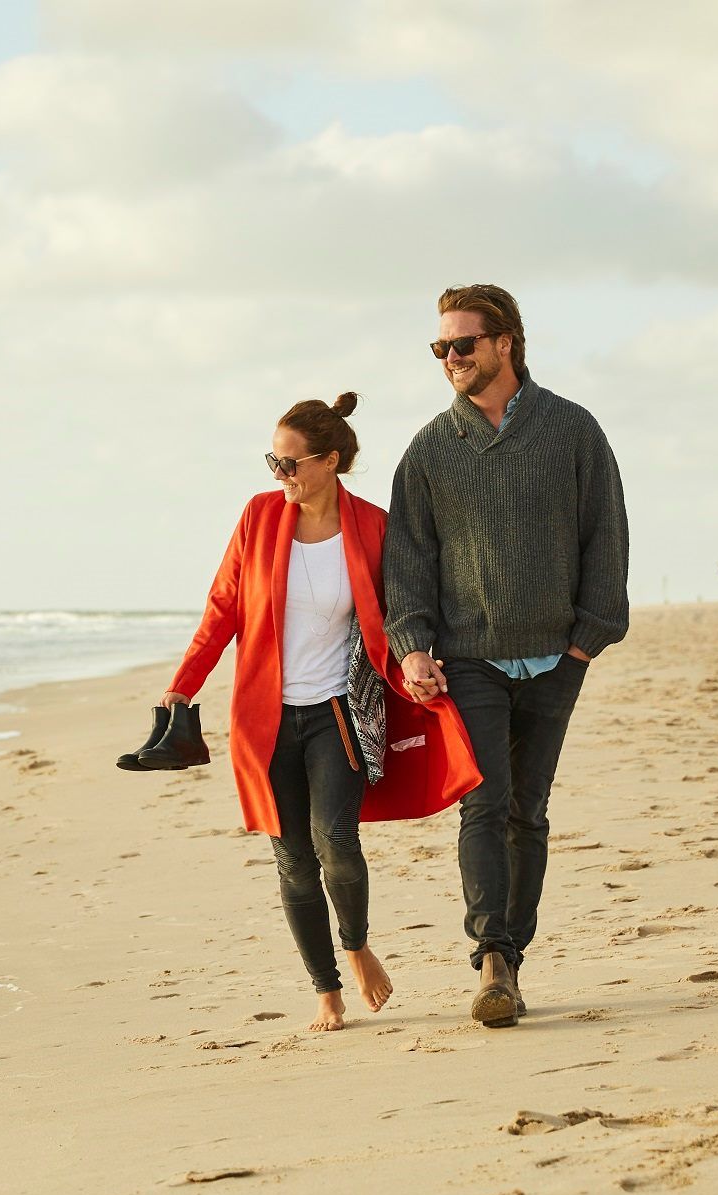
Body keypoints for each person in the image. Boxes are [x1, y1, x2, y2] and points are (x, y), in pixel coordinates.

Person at [163, 394, 481, 1032]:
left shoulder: (373, 526)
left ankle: (357, 946)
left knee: (335, 839)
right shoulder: (259, 518)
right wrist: (182, 687)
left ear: (330, 461)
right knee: (292, 860)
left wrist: (418, 661)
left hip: (339, 710)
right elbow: (223, 607)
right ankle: (325, 989)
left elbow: (405, 606)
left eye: (290, 463)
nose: (279, 475)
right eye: (273, 463)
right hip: (268, 719)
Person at [384, 284, 630, 1028]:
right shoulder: (430, 449)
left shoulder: (572, 429)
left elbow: (606, 532)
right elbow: (408, 560)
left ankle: (512, 956)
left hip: (558, 655)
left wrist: (589, 635)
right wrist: (412, 646)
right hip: (471, 660)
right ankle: (492, 957)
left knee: (529, 810)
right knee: (484, 804)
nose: (450, 358)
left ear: (505, 343)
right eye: (440, 347)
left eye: (463, 344)